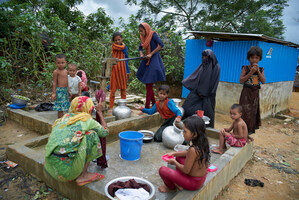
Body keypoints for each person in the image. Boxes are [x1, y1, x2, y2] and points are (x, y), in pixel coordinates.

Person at [44, 96, 108, 186]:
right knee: (91, 134)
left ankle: (77, 166)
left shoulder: (63, 118)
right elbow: (104, 132)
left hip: (50, 167)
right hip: (66, 173)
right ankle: (83, 175)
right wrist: (99, 112)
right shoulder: (86, 120)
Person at [158, 116, 210, 192]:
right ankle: (180, 182)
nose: (183, 134)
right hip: (200, 179)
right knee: (179, 156)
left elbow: (186, 170)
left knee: (162, 170)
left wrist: (174, 162)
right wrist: (175, 154)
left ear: (194, 134)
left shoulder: (193, 149)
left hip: (193, 183)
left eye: (185, 132)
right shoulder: (203, 143)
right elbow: (187, 153)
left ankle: (171, 188)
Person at [181, 49, 220, 128]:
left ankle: (207, 130)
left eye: (206, 57)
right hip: (197, 92)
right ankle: (188, 126)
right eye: (203, 57)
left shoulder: (216, 67)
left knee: (206, 115)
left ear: (211, 57)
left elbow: (213, 82)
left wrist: (205, 93)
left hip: (208, 95)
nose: (204, 58)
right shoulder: (203, 66)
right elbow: (197, 78)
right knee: (187, 108)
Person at [137, 22, 166, 108]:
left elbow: (161, 45)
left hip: (154, 60)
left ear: (146, 30)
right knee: (148, 84)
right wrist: (141, 54)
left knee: (148, 83)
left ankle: (146, 107)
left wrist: (151, 54)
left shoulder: (153, 35)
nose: (140, 33)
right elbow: (140, 48)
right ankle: (154, 105)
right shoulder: (143, 37)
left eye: (141, 31)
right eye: (139, 31)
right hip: (147, 60)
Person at [239, 46, 265, 134]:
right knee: (244, 112)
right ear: (249, 58)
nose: (254, 60)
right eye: (252, 57)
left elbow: (263, 81)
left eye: (256, 58)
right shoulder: (245, 68)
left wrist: (257, 71)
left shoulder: (261, 69)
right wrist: (250, 72)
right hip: (246, 94)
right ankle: (241, 131)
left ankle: (249, 132)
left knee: (253, 114)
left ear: (259, 59)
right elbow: (241, 80)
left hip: (255, 95)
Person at [109, 32, 130, 111]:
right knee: (113, 89)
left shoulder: (124, 47)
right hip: (115, 69)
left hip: (123, 69)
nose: (117, 41)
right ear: (114, 41)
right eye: (116, 40)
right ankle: (111, 107)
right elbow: (120, 47)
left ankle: (124, 106)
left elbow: (126, 58)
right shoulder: (114, 46)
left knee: (123, 89)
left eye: (119, 39)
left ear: (121, 39)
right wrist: (124, 45)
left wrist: (128, 71)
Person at [51, 54, 71, 118]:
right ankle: (60, 120)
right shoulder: (56, 72)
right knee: (60, 108)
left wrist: (69, 90)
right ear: (56, 63)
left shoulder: (66, 71)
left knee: (66, 106)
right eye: (58, 63)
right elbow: (54, 82)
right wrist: (54, 93)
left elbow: (68, 81)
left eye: (62, 62)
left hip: (65, 90)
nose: (61, 64)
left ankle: (65, 120)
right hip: (59, 91)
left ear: (66, 63)